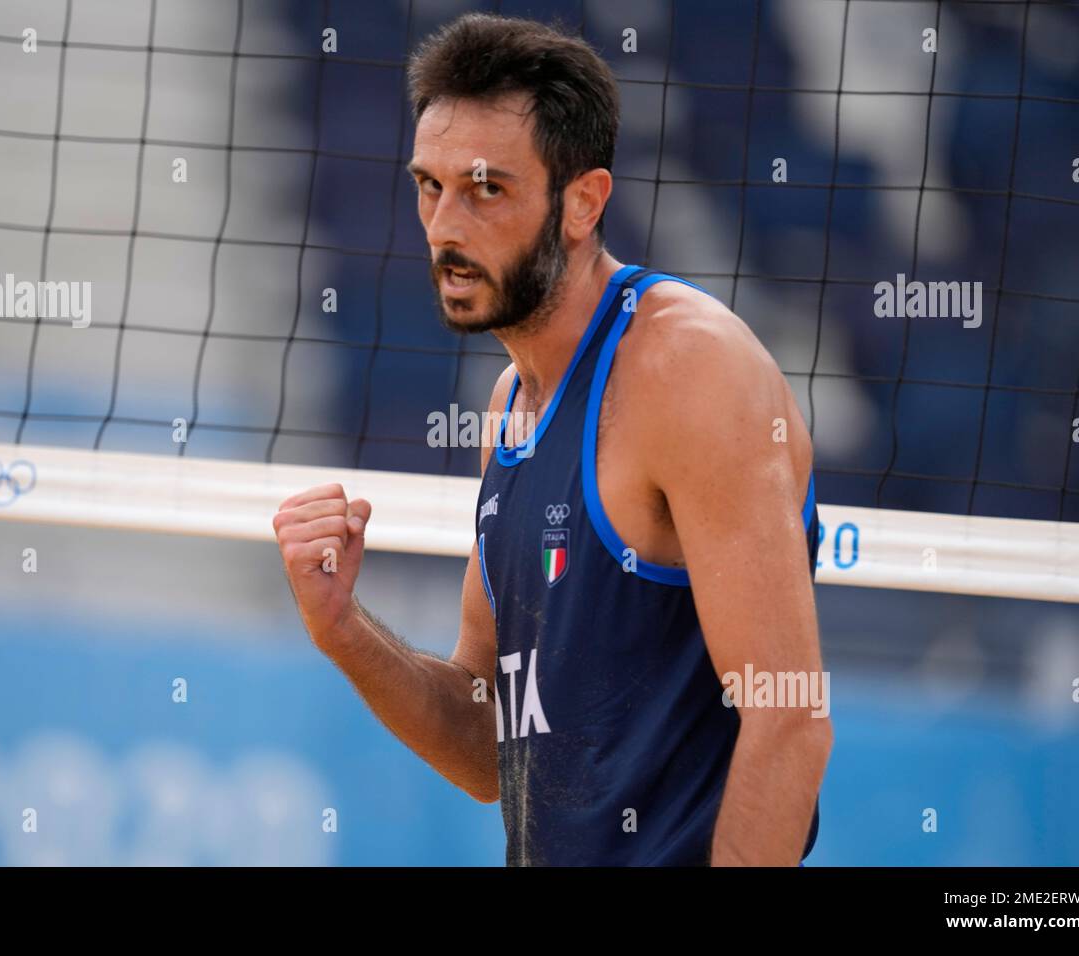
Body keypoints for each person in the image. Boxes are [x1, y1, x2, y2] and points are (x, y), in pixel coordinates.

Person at [272, 13, 830, 865]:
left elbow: (789, 718)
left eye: (486, 188)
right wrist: (345, 628)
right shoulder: (512, 406)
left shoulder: (689, 369)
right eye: (430, 185)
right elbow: (483, 734)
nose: (445, 227)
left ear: (583, 202)